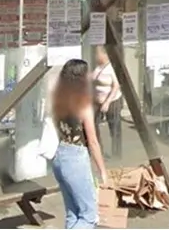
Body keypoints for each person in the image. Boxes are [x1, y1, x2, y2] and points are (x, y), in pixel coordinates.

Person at [50, 59, 108, 229]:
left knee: (73, 212)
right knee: (89, 216)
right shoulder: (83, 104)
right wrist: (102, 171)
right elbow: (93, 141)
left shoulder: (58, 100)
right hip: (76, 157)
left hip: (59, 155)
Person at [91, 46, 123, 160]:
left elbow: (116, 86)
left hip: (111, 101)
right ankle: (99, 152)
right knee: (94, 125)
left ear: (104, 55)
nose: (96, 56)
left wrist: (107, 102)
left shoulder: (111, 68)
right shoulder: (97, 67)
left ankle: (116, 154)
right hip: (97, 102)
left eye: (97, 53)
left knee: (114, 127)